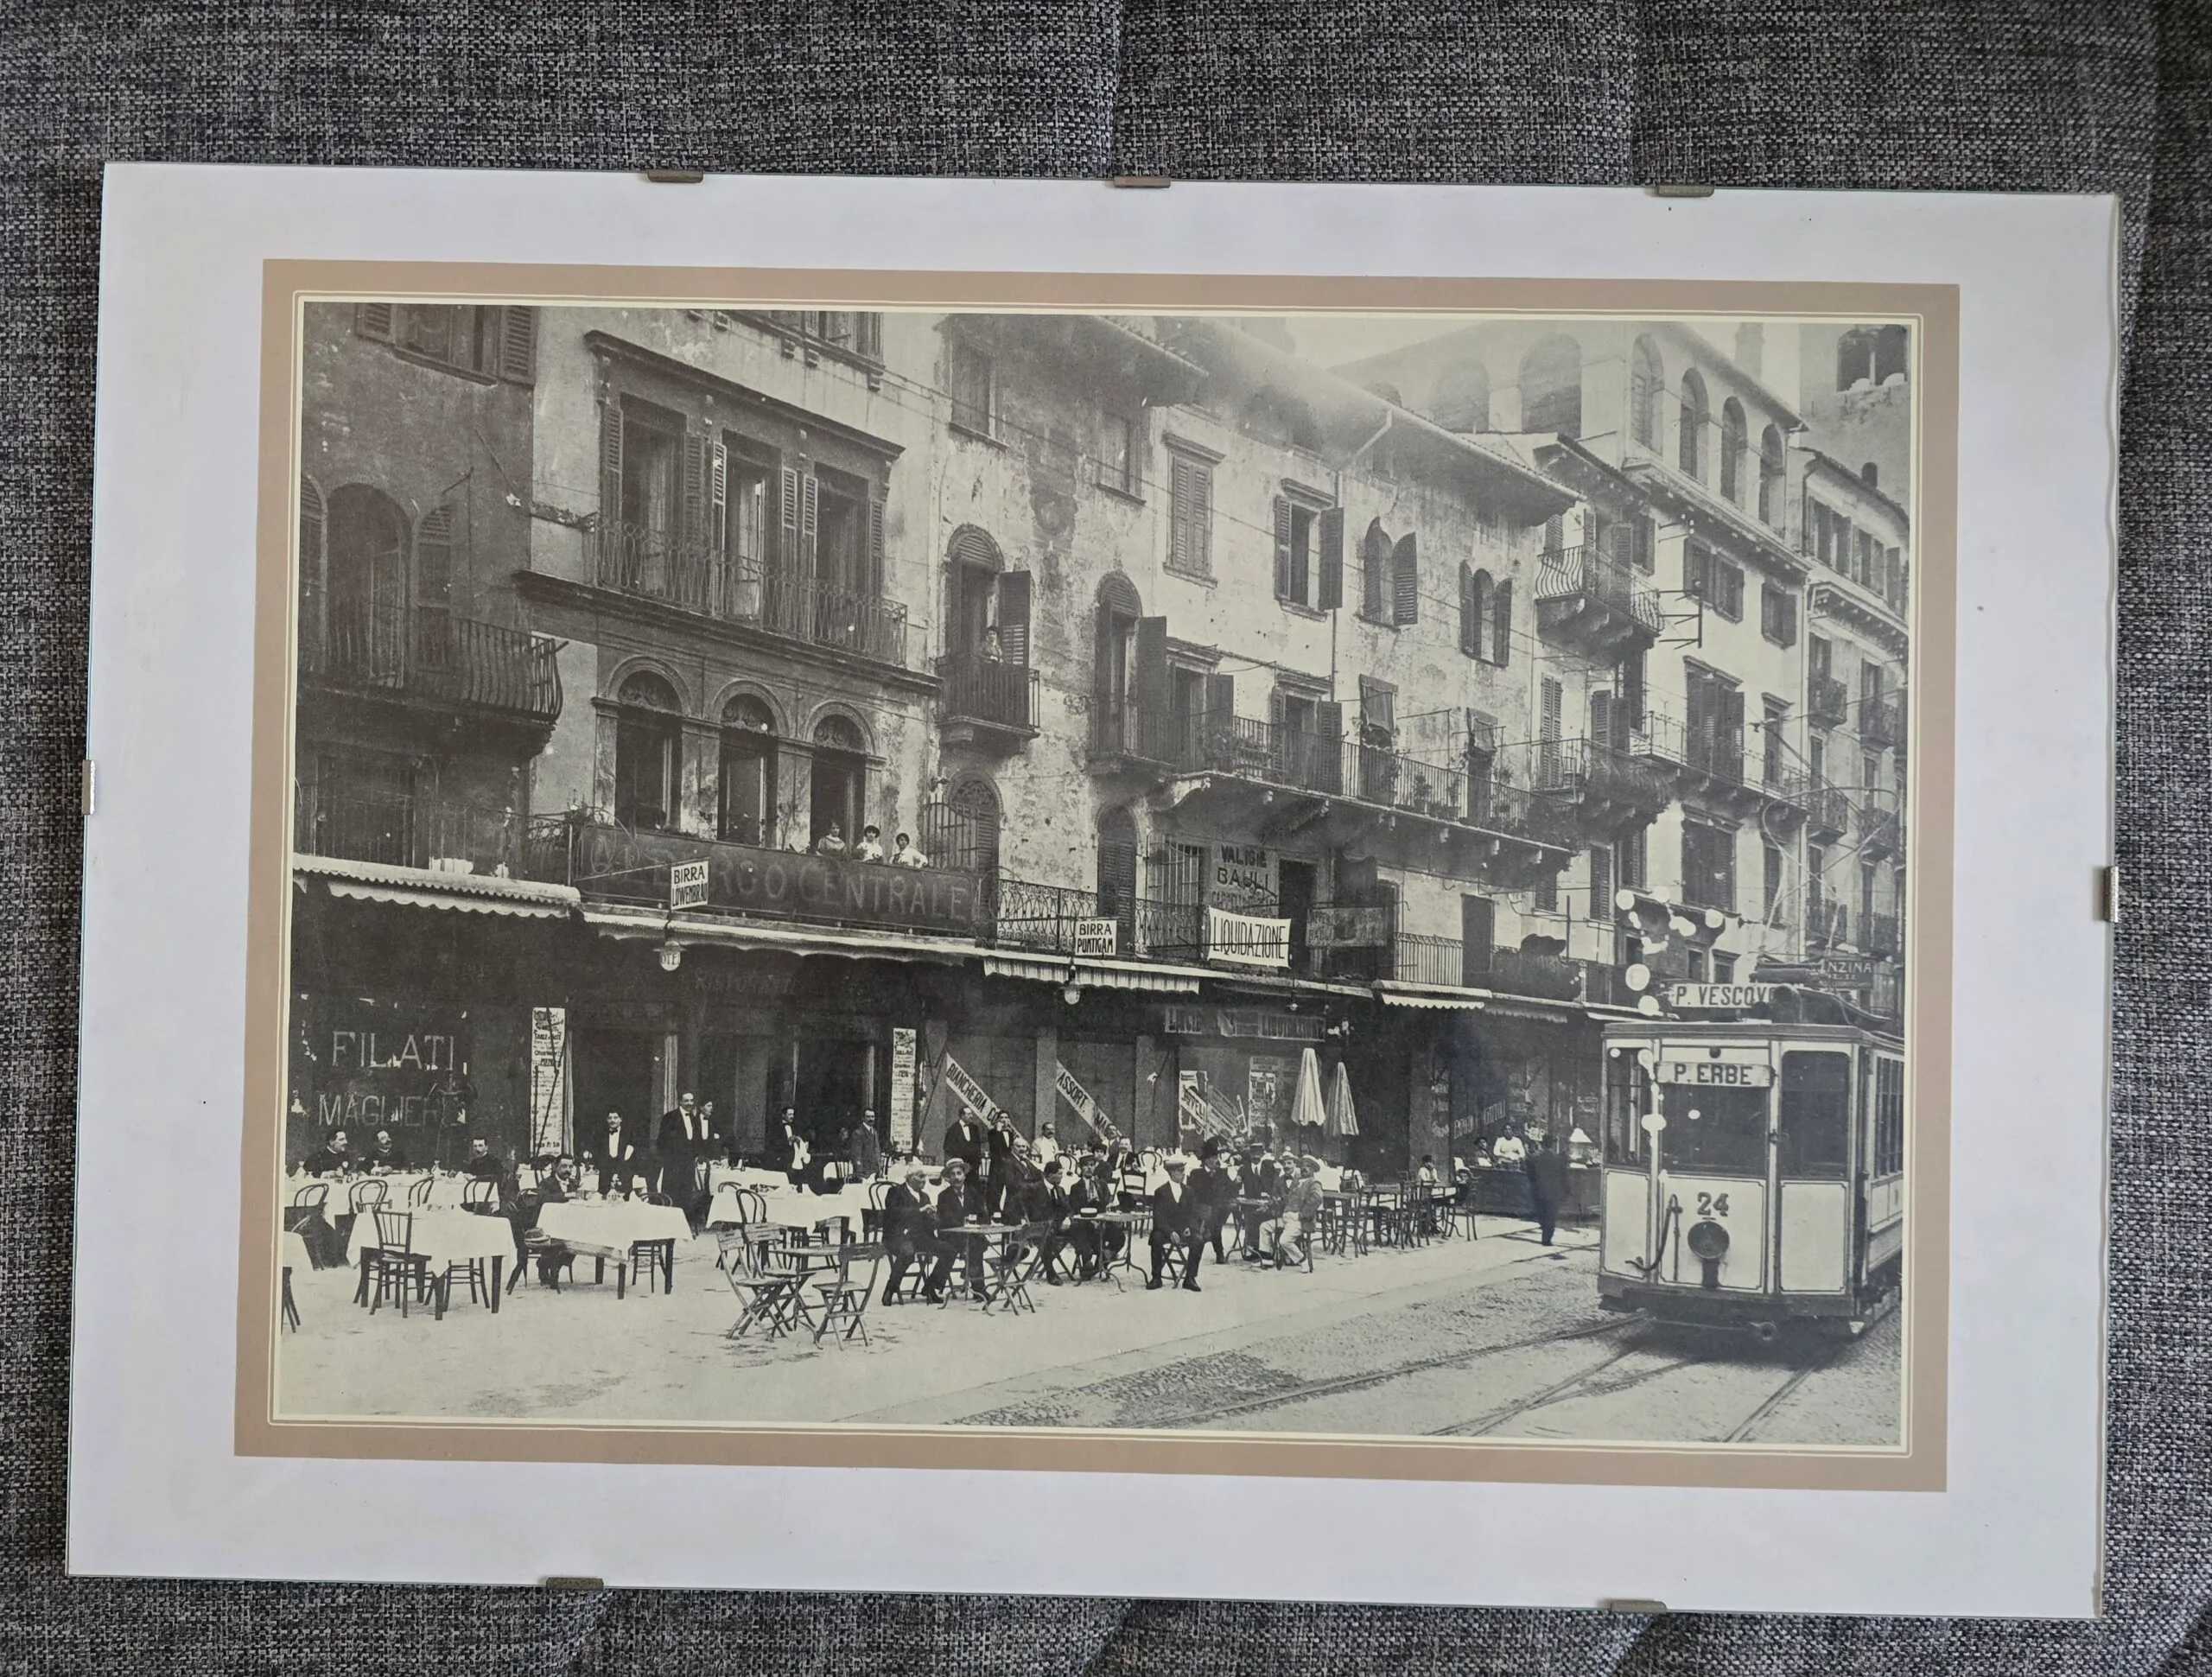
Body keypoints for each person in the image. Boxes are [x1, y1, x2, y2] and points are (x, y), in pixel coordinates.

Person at [882, 1166, 951, 1304]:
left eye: (925, 1177)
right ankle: (891, 1288)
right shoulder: (895, 1192)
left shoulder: (925, 1196)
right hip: (898, 1236)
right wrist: (920, 1210)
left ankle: (931, 1286)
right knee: (908, 1252)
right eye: (920, 1176)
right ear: (909, 1178)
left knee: (949, 1250)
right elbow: (894, 1213)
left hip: (920, 1237)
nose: (924, 1180)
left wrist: (933, 1217)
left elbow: (929, 1224)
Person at [932, 1158, 991, 1300]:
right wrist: (965, 1226)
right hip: (951, 1235)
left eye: (959, 1173)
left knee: (978, 1244)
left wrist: (980, 1225)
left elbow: (983, 1213)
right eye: (952, 1174)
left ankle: (978, 1287)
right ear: (948, 1178)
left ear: (964, 1175)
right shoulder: (944, 1196)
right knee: (973, 1247)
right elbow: (947, 1218)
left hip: (971, 1234)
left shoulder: (973, 1192)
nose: (956, 1177)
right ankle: (978, 1286)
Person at [1147, 1156, 1205, 1293]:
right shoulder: (1161, 1191)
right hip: (1166, 1231)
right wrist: (1170, 1232)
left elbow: (1193, 1214)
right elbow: (1159, 1217)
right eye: (1179, 1171)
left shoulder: (1189, 1191)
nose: (1183, 1174)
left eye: (1183, 1171)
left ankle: (1190, 1278)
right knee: (1156, 1238)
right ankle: (1156, 1277)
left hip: (1184, 1230)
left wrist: (1189, 1228)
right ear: (1171, 1173)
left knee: (1198, 1240)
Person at [1268, 1157, 1325, 1268]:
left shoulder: (1314, 1183)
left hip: (1299, 1220)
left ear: (1313, 1170)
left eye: (1308, 1167)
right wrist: (1279, 1201)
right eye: (1303, 1166)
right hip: (1286, 1217)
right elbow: (1289, 1198)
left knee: (1284, 1241)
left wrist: (1301, 1215)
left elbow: (1316, 1200)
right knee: (1265, 1227)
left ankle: (1302, 1260)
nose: (1304, 1168)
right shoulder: (1299, 1183)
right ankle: (1266, 1258)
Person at [1235, 1142, 1283, 1261]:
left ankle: (1262, 1250)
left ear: (1262, 1154)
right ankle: (1255, 1250)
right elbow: (1237, 1186)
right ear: (1250, 1155)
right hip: (1249, 1205)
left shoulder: (1269, 1167)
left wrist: (1270, 1200)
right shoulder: (1244, 1168)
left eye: (1258, 1154)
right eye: (1253, 1154)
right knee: (1253, 1217)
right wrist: (1237, 1181)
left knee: (1261, 1217)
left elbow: (1275, 1187)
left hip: (1267, 1205)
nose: (1256, 1157)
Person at [655, 1089, 704, 1203]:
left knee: (686, 1194)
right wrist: (668, 1160)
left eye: (692, 1101)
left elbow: (697, 1141)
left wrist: (696, 1156)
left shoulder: (694, 1118)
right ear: (680, 1102)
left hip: (689, 1165)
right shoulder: (670, 1117)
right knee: (672, 1194)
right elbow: (661, 1141)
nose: (690, 1103)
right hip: (674, 1165)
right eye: (686, 1101)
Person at [1192, 1139, 1234, 1266]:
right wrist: (1212, 1179)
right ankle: (1218, 1251)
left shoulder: (1221, 1172)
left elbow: (1230, 1189)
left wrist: (1235, 1180)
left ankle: (1209, 1234)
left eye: (1217, 1157)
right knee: (1214, 1219)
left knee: (1220, 1212)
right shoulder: (1196, 1173)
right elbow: (1195, 1194)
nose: (1216, 1160)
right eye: (1213, 1157)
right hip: (1202, 1208)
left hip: (1219, 1208)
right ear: (1206, 1159)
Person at [1526, 1133, 1571, 1246]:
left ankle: (1545, 1232)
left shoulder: (1536, 1159)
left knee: (1542, 1214)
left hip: (1539, 1191)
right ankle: (1547, 1238)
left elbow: (1531, 1176)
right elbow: (1564, 1177)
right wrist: (1566, 1191)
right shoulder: (1558, 1160)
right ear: (1553, 1144)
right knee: (1551, 1216)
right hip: (1554, 1192)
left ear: (1542, 1144)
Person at [588, 1110, 637, 1197]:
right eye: (610, 1118)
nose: (612, 1120)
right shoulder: (601, 1134)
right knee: (603, 1197)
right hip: (605, 1173)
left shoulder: (628, 1134)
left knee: (624, 1198)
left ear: (620, 1119)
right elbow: (596, 1151)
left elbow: (634, 1153)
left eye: (615, 1118)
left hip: (623, 1172)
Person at [982, 1117, 1019, 1218]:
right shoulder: (993, 1133)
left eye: (1006, 1118)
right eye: (1001, 1118)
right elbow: (995, 1147)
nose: (1004, 1120)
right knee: (995, 1191)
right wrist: (998, 1130)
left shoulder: (1010, 1133)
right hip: (997, 1166)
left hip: (1008, 1166)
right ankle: (994, 1215)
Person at [942, 1108, 986, 1185]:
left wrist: (976, 1161)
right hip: (959, 1167)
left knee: (973, 1188)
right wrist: (958, 1160)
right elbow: (947, 1147)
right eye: (968, 1114)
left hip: (973, 1167)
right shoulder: (953, 1129)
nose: (971, 1116)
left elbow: (977, 1145)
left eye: (971, 1114)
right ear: (962, 1116)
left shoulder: (975, 1128)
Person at [770, 1105, 806, 1188]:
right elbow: (774, 1143)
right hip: (783, 1159)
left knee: (796, 1184)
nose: (792, 1117)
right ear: (783, 1115)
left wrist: (798, 1141)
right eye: (790, 1114)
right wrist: (788, 1142)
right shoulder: (777, 1128)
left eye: (793, 1114)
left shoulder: (794, 1127)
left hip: (794, 1160)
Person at [846, 1109, 885, 1181]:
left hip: (875, 1171)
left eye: (873, 1117)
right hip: (864, 1173)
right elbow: (856, 1155)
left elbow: (877, 1150)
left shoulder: (875, 1132)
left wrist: (879, 1169)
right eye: (868, 1117)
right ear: (863, 1118)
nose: (871, 1119)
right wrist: (860, 1173)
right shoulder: (858, 1133)